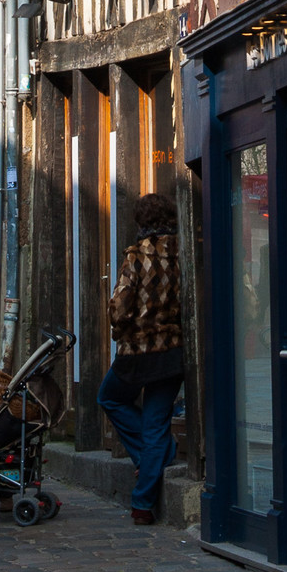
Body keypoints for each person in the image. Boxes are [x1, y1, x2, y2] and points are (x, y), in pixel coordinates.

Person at [99, 191, 185, 526]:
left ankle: (157, 457)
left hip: (138, 352)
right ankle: (142, 505)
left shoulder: (137, 256)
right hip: (173, 351)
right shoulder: (184, 254)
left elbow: (120, 306)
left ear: (141, 222)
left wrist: (119, 328)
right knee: (155, 425)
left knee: (108, 398)